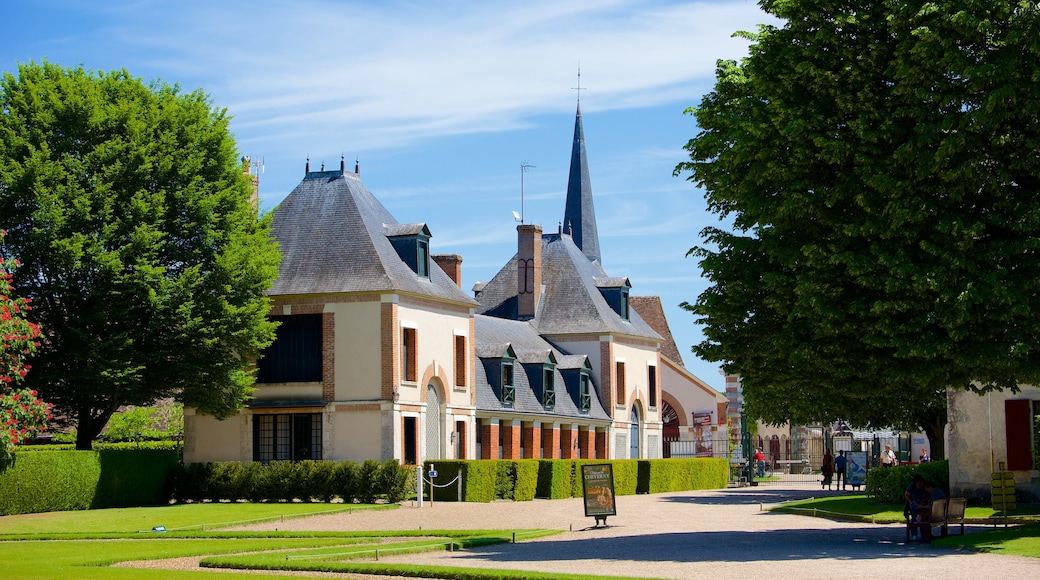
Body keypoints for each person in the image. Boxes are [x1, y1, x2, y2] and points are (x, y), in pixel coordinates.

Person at [904, 474, 929, 540]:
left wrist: (923, 501)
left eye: (920, 484)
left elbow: (928, 494)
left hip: (923, 503)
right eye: (917, 484)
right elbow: (907, 494)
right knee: (914, 518)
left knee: (924, 517)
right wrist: (911, 502)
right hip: (915, 503)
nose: (918, 485)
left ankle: (924, 534)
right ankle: (914, 534)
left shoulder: (925, 486)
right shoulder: (912, 486)